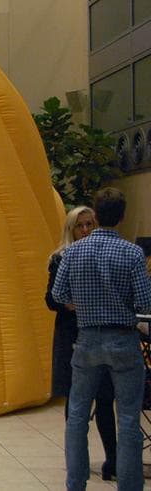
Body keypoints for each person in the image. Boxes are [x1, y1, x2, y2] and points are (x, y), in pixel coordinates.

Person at [53, 187, 151, 491]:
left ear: (94, 216)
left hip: (86, 341)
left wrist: (84, 304)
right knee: (128, 418)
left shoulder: (72, 252)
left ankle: (75, 483)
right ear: (121, 216)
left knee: (78, 415)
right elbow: (145, 302)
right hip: (123, 341)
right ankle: (130, 486)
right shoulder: (133, 253)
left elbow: (58, 294)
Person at [45, 206, 116, 480]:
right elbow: (51, 299)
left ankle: (112, 460)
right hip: (71, 333)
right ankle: (77, 462)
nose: (86, 230)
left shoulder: (103, 255)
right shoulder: (60, 259)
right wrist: (72, 306)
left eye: (90, 225)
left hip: (99, 333)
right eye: (81, 226)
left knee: (105, 399)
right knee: (75, 402)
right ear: (71, 228)